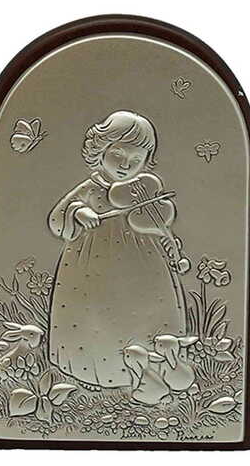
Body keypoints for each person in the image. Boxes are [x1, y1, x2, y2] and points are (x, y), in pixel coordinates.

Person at [47, 111, 186, 390]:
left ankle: (147, 373)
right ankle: (91, 372)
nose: (125, 165)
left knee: (139, 306)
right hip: (92, 264)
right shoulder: (91, 188)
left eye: (136, 160)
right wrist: (78, 211)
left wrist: (169, 243)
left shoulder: (142, 191)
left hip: (140, 264)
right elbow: (56, 218)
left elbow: (154, 225)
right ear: (101, 150)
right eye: (118, 155)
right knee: (95, 311)